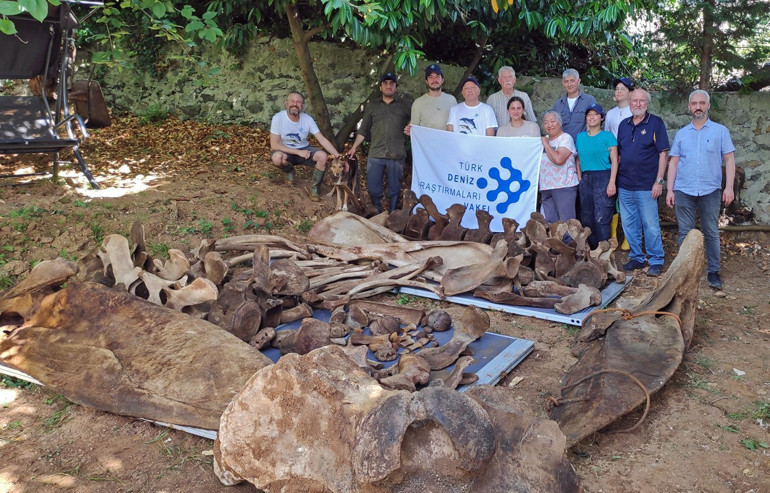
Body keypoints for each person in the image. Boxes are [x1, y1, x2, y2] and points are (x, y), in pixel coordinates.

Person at [666, 90, 736, 290]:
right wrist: (669, 190)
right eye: (694, 103)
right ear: (689, 107)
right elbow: (673, 163)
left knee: (711, 231)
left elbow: (729, 159)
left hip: (710, 190)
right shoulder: (681, 134)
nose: (698, 107)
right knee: (685, 232)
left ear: (708, 105)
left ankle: (713, 272)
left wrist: (729, 187)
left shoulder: (720, 131)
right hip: (684, 189)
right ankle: (684, 271)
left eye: (702, 103)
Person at [616, 88, 670, 277]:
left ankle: (656, 260)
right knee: (629, 224)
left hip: (647, 185)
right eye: (634, 100)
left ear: (647, 103)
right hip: (625, 185)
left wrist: (659, 181)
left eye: (641, 100)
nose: (637, 104)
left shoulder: (655, 123)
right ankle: (637, 257)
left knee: (650, 225)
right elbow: (619, 154)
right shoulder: (623, 125)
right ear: (629, 102)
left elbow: (663, 154)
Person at [347, 73, 412, 213]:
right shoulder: (372, 106)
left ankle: (391, 214)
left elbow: (415, 121)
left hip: (396, 154)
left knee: (394, 188)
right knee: (373, 188)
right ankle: (378, 213)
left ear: (396, 86)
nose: (388, 86)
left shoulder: (404, 106)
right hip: (376, 153)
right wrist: (354, 147)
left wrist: (410, 127)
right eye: (385, 83)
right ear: (380, 87)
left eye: (391, 83)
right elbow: (363, 129)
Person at [270, 91, 340, 201]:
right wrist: (298, 152)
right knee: (277, 158)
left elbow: (322, 139)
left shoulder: (308, 119)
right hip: (286, 151)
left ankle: (315, 189)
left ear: (302, 106)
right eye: (292, 101)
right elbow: (274, 145)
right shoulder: (278, 118)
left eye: (298, 102)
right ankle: (289, 170)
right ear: (286, 103)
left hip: (304, 149)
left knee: (322, 156)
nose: (295, 104)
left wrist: (338, 156)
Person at [575, 103, 618, 248]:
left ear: (601, 118)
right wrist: (580, 178)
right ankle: (591, 250)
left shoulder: (608, 136)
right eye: (589, 115)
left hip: (603, 176)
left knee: (602, 215)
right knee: (586, 216)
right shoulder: (580, 137)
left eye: (596, 114)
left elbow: (614, 160)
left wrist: (612, 182)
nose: (592, 117)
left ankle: (603, 250)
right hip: (586, 177)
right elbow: (578, 159)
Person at [539, 110, 579, 222]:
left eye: (552, 121)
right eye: (546, 122)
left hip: (563, 186)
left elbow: (558, 159)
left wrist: (546, 144)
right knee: (551, 224)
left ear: (560, 123)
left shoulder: (566, 138)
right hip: (546, 187)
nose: (549, 125)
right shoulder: (542, 141)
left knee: (566, 223)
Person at [552, 68, 597, 142]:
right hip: (563, 145)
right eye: (566, 81)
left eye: (572, 81)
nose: (569, 84)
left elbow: (596, 124)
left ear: (578, 81)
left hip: (583, 144)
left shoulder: (589, 100)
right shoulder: (558, 104)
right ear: (563, 83)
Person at [408, 64, 457, 131]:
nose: (434, 80)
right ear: (426, 81)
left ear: (442, 80)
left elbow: (457, 125)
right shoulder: (418, 103)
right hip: (425, 138)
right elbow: (414, 129)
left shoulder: (452, 100)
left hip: (446, 138)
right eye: (430, 77)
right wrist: (409, 130)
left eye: (437, 76)